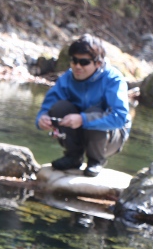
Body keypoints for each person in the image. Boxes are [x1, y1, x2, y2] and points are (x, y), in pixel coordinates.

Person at [36, 34, 132, 177]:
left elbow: (119, 118)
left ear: (98, 63)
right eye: (74, 61)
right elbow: (48, 104)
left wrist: (83, 119)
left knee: (94, 112)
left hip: (111, 138)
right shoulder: (67, 77)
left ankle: (96, 161)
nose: (77, 66)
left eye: (84, 62)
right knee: (59, 108)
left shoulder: (114, 79)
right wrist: (42, 119)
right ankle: (73, 157)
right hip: (79, 131)